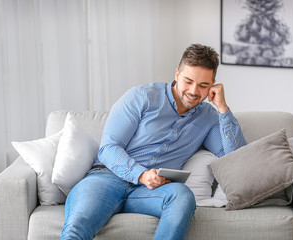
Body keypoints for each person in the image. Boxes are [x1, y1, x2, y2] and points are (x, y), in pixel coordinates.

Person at [60, 44, 247, 240]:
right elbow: (108, 148)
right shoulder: (142, 97)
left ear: (213, 84)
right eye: (188, 81)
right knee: (77, 228)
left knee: (183, 195)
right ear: (176, 74)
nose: (193, 91)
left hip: (154, 191)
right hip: (107, 178)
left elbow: (236, 158)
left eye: (203, 85)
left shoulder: (208, 117)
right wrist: (141, 174)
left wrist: (223, 109)